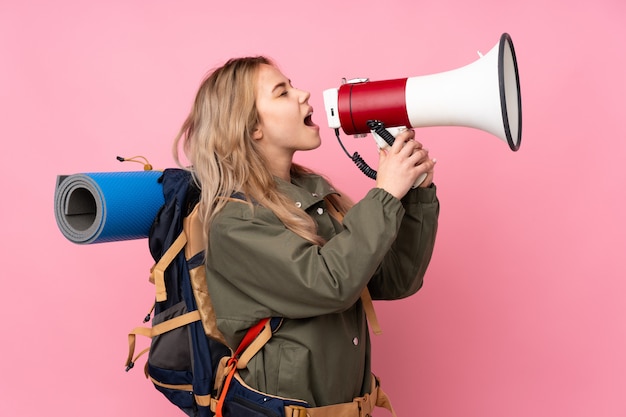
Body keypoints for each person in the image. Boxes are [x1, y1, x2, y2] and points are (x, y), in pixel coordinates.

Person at [173, 56, 439, 412]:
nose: (304, 94)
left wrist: (417, 195)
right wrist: (385, 195)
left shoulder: (311, 196)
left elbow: (395, 279)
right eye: (282, 92)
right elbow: (329, 283)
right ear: (252, 127)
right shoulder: (234, 221)